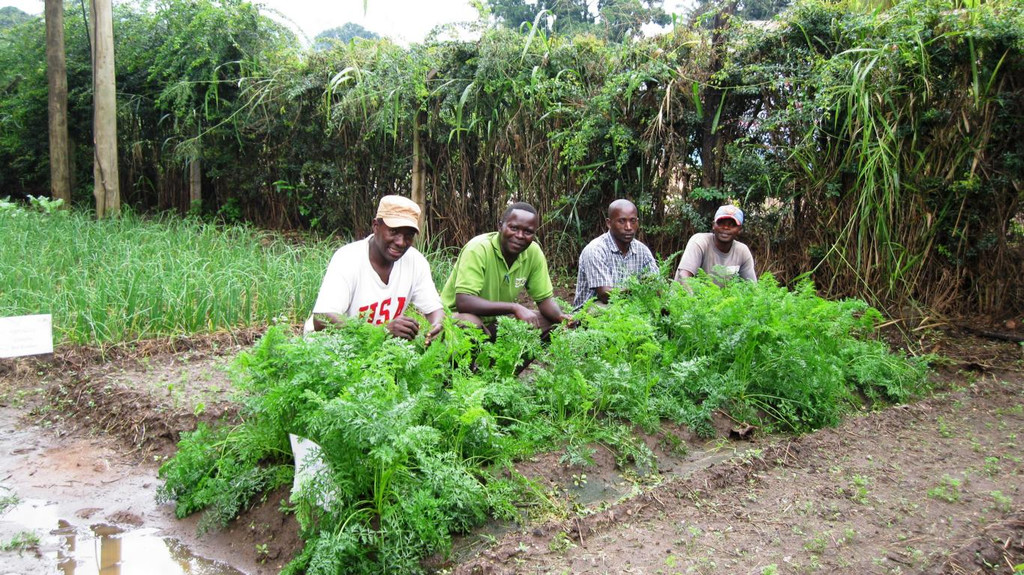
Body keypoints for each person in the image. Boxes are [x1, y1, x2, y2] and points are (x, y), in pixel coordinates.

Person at [304, 195, 444, 341]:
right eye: (394, 232)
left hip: (376, 348)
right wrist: (381, 331)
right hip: (328, 347)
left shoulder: (415, 262)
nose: (401, 242)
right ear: (376, 226)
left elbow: (435, 309)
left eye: (408, 235)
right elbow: (322, 318)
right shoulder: (348, 258)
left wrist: (437, 325)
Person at [441, 201, 571, 335]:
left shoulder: (533, 252)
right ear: (500, 226)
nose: (520, 235)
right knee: (471, 324)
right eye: (514, 228)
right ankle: (481, 353)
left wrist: (560, 317)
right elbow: (464, 302)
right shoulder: (478, 249)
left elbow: (544, 300)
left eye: (528, 232)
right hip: (457, 317)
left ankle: (512, 353)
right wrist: (514, 307)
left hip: (497, 320)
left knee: (550, 323)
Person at [574, 199, 658, 309]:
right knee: (604, 307)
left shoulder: (642, 250)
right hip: (590, 314)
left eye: (633, 221)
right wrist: (639, 289)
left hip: (629, 310)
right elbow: (605, 295)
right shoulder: (596, 250)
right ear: (609, 223)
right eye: (622, 221)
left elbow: (656, 285)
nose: (628, 227)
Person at [674, 204, 756, 285]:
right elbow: (684, 276)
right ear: (713, 225)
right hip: (685, 297)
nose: (726, 228)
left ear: (739, 229)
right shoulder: (699, 242)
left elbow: (752, 287)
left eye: (732, 225)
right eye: (721, 223)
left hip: (719, 298)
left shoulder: (742, 251)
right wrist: (692, 298)